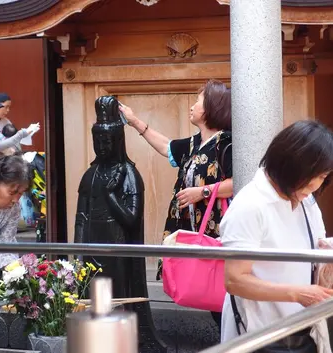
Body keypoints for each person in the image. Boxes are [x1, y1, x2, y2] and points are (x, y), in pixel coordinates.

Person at [119, 79, 232, 325]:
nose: (192, 106)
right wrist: (134, 120)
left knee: (225, 300)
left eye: (198, 101)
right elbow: (165, 146)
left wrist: (201, 192)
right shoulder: (194, 144)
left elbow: (241, 183)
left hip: (219, 233)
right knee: (214, 299)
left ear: (212, 107)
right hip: (198, 234)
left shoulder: (229, 143)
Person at [221, 120, 333, 352]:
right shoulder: (250, 205)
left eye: (322, 176)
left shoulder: (307, 201)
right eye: (309, 175)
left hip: (303, 330)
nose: (314, 185)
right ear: (287, 164)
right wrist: (296, 293)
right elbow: (234, 280)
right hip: (260, 334)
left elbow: (317, 256)